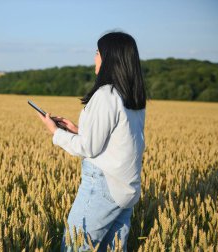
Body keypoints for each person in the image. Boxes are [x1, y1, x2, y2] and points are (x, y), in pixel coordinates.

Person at [36, 31, 148, 251]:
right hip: (126, 187)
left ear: (109, 57)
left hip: (104, 184)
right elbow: (119, 138)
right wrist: (77, 130)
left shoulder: (106, 94)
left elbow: (88, 147)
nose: (94, 58)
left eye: (97, 52)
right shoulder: (133, 96)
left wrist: (55, 133)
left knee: (75, 246)